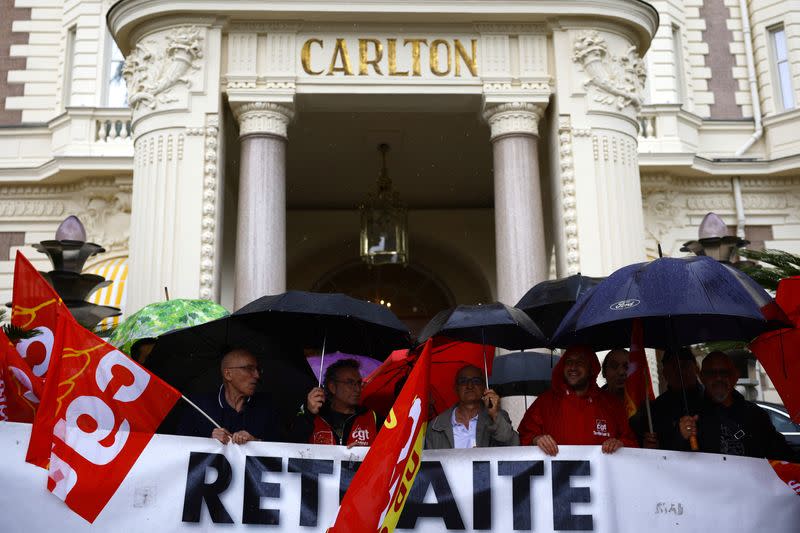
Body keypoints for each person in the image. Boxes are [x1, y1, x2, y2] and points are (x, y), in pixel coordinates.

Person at [517, 344, 637, 456]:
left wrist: (621, 444)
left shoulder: (612, 404)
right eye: (569, 361)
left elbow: (632, 442)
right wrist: (536, 439)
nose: (573, 367)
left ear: (591, 369)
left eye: (580, 362)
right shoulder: (544, 402)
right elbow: (523, 436)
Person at [677, 351, 797, 461]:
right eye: (711, 373)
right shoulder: (690, 417)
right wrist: (681, 437)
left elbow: (782, 455)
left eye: (724, 373)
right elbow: (676, 463)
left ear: (735, 376)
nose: (718, 378)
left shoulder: (756, 415)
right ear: (702, 377)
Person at [176, 348, 284, 444]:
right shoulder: (199, 406)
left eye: (257, 369)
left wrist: (256, 443)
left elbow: (283, 450)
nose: (257, 375)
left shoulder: (268, 407)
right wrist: (209, 442)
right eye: (249, 368)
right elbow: (179, 446)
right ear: (228, 374)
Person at [425, 365, 519, 449]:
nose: (470, 386)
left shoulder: (497, 416)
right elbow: (429, 466)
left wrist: (495, 415)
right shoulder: (436, 425)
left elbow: (513, 446)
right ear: (455, 388)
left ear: (484, 387)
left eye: (476, 381)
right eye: (463, 381)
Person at [292, 358, 379, 446]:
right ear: (332, 387)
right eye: (350, 383)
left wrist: (364, 453)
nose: (357, 389)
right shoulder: (313, 414)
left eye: (359, 383)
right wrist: (308, 414)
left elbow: (387, 452)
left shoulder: (372, 417)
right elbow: (291, 447)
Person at [632, 347, 703, 450]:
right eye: (673, 367)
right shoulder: (654, 410)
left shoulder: (710, 400)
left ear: (696, 369)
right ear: (665, 373)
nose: (680, 372)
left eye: (684, 366)